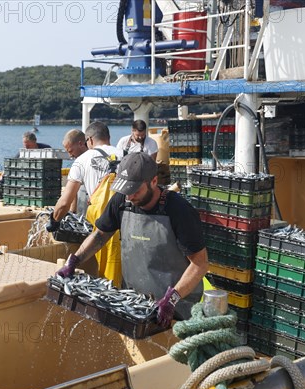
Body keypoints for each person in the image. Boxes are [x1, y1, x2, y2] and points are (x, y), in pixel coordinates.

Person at [56, 152, 209, 327]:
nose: (129, 196)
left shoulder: (179, 211)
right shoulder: (122, 200)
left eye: (135, 190)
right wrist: (74, 261)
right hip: (135, 301)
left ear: (153, 181)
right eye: (125, 190)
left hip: (177, 308)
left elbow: (200, 263)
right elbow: (100, 235)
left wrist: (172, 298)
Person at [46, 121, 124, 284]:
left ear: (88, 140)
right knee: (124, 268)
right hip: (128, 221)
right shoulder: (127, 154)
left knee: (106, 273)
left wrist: (54, 221)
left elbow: (64, 202)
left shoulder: (82, 160)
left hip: (104, 224)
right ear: (108, 137)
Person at [61, 128, 89, 216]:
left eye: (70, 151)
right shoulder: (77, 163)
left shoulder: (87, 161)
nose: (70, 155)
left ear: (80, 144)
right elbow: (73, 192)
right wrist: (73, 212)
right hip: (82, 210)